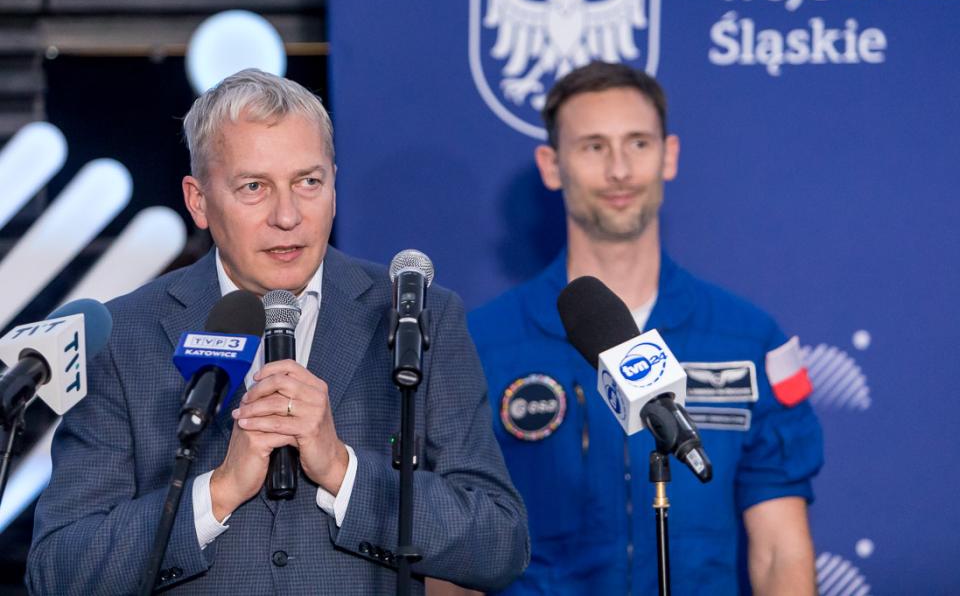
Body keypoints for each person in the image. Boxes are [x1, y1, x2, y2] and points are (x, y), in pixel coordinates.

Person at [26, 69, 529, 594]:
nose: (287, 216)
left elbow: (499, 545)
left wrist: (342, 470)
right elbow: (59, 573)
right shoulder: (125, 337)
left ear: (334, 184)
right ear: (198, 201)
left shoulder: (418, 316)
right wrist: (217, 492)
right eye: (254, 187)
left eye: (308, 182)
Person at [469, 62, 823, 595]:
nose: (619, 170)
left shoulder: (750, 338)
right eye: (593, 146)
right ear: (552, 165)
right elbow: (456, 550)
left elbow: (780, 553)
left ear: (669, 155)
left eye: (637, 143)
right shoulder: (483, 342)